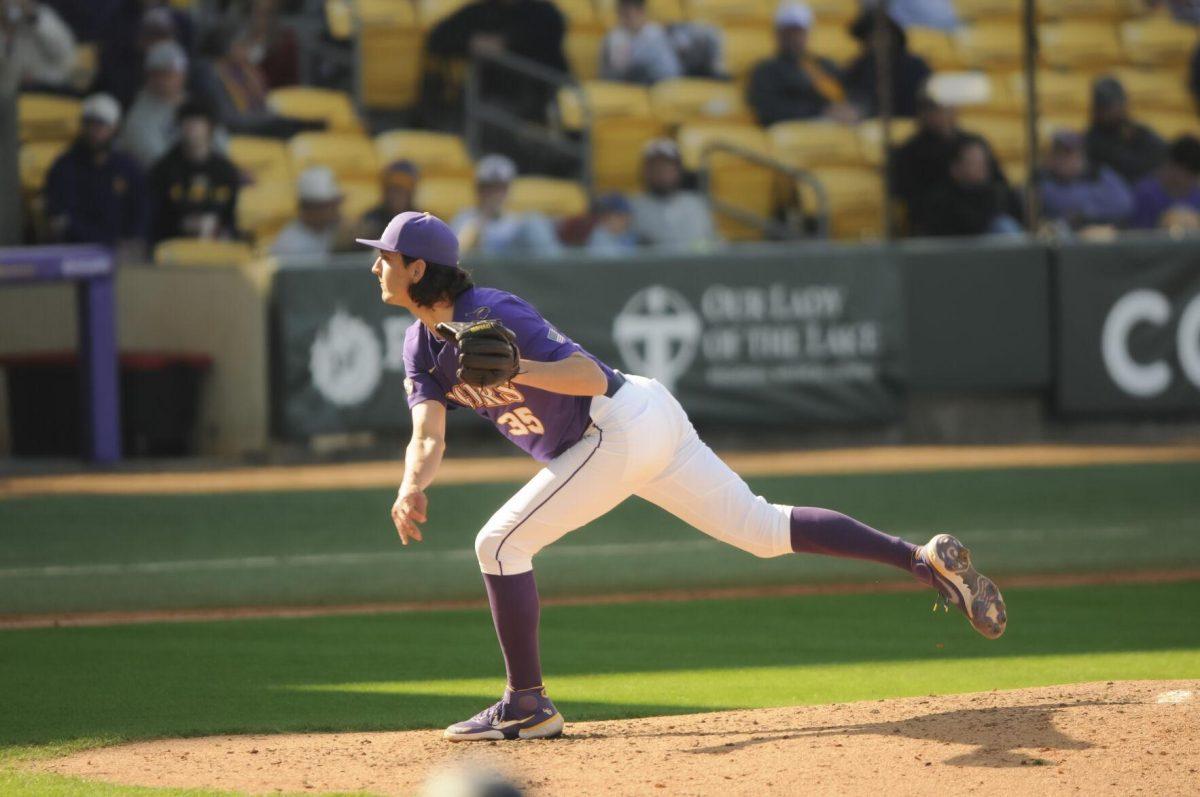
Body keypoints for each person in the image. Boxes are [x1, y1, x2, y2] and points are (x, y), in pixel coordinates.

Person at [354, 210, 1007, 742]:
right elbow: (427, 433)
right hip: (641, 418)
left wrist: (519, 366)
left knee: (498, 543)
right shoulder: (420, 344)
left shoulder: (490, 311)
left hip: (615, 421)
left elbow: (585, 374)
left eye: (384, 255)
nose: (375, 265)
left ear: (418, 268)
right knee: (761, 527)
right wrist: (414, 483)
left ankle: (527, 702)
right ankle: (922, 561)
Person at [890, 84, 1006, 229]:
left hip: (982, 216)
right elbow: (912, 199)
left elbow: (999, 185)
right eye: (934, 109)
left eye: (946, 108)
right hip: (936, 225)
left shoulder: (973, 144)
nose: (943, 114)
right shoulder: (910, 152)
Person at [43, 93, 148, 247]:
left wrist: (133, 238)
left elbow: (142, 210)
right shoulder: (64, 167)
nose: (94, 132)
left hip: (123, 251)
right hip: (78, 250)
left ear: (114, 128)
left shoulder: (128, 167)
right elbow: (61, 217)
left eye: (101, 125)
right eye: (89, 124)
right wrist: (100, 242)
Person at [746, 2, 858, 127]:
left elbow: (850, 93)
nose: (793, 37)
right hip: (793, 136)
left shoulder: (826, 66)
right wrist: (821, 112)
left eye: (798, 31)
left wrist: (852, 110)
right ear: (777, 33)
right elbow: (768, 111)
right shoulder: (766, 71)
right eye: (788, 31)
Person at [147, 102, 240, 245]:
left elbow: (232, 218)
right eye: (186, 122)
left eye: (197, 122)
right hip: (171, 249)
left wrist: (217, 227)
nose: (191, 128)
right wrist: (181, 225)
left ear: (210, 127)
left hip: (216, 248)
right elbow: (152, 220)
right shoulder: (163, 169)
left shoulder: (226, 171)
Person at [450, 154, 562, 258]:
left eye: (500, 189)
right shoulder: (465, 218)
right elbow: (459, 256)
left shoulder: (516, 221)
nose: (495, 194)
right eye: (488, 188)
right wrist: (482, 221)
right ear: (478, 190)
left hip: (514, 274)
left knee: (535, 222)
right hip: (482, 274)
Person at [913, 137, 1023, 237]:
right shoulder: (941, 201)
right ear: (955, 169)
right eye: (973, 162)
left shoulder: (1000, 192)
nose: (982, 167)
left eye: (983, 161)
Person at [628, 138, 719, 249]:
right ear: (645, 171)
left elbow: (716, 249)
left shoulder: (696, 205)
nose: (661, 171)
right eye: (655, 167)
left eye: (667, 166)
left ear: (679, 170)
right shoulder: (631, 208)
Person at [841, 9, 931, 118]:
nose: (877, 42)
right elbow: (856, 99)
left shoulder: (915, 65)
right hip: (871, 126)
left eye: (883, 35)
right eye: (871, 38)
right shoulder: (859, 67)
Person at [1038, 130, 1133, 232]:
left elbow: (1124, 203)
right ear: (1051, 158)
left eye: (1070, 153)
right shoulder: (1044, 179)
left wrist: (1085, 213)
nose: (1064, 160)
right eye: (1059, 154)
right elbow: (1062, 203)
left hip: (1104, 231)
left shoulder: (1099, 172)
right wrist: (1097, 199)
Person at [115, 40, 190, 168]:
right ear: (150, 75)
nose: (168, 80)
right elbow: (155, 158)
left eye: (174, 73)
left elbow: (219, 144)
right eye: (163, 74)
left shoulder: (193, 104)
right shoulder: (139, 113)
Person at [1085, 76, 1167, 187]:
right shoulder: (1090, 140)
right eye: (1103, 107)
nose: (1108, 112)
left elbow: (1164, 154)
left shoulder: (1139, 132)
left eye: (1113, 106)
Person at [271, 166, 354, 257]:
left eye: (335, 205)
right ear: (310, 208)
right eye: (329, 206)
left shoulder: (335, 231)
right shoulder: (290, 244)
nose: (336, 211)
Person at [599, 0, 682, 85]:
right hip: (634, 84)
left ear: (643, 12)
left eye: (635, 13)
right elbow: (615, 73)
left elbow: (672, 67)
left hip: (668, 82)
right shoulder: (615, 38)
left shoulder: (656, 32)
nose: (627, 19)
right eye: (624, 15)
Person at [0, 0, 76, 91]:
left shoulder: (42, 17)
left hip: (47, 90)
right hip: (10, 94)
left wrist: (33, 18)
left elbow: (65, 52)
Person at [1130, 134, 1200, 229]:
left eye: (1189, 176)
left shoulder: (1197, 196)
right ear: (1170, 164)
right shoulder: (1146, 194)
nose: (1182, 179)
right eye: (1179, 171)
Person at [359, 160, 420, 238]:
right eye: (392, 189)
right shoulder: (370, 221)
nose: (396, 196)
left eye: (402, 190)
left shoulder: (421, 221)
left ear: (411, 193)